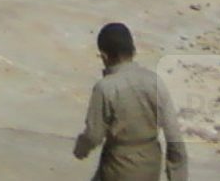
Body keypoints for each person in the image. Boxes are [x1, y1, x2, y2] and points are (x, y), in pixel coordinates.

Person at [73, 22, 188, 181]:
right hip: (150, 165)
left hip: (117, 167)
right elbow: (173, 134)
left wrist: (81, 149)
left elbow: (94, 135)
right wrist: (177, 175)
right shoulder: (154, 81)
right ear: (133, 51)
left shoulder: (105, 88)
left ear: (104, 56)